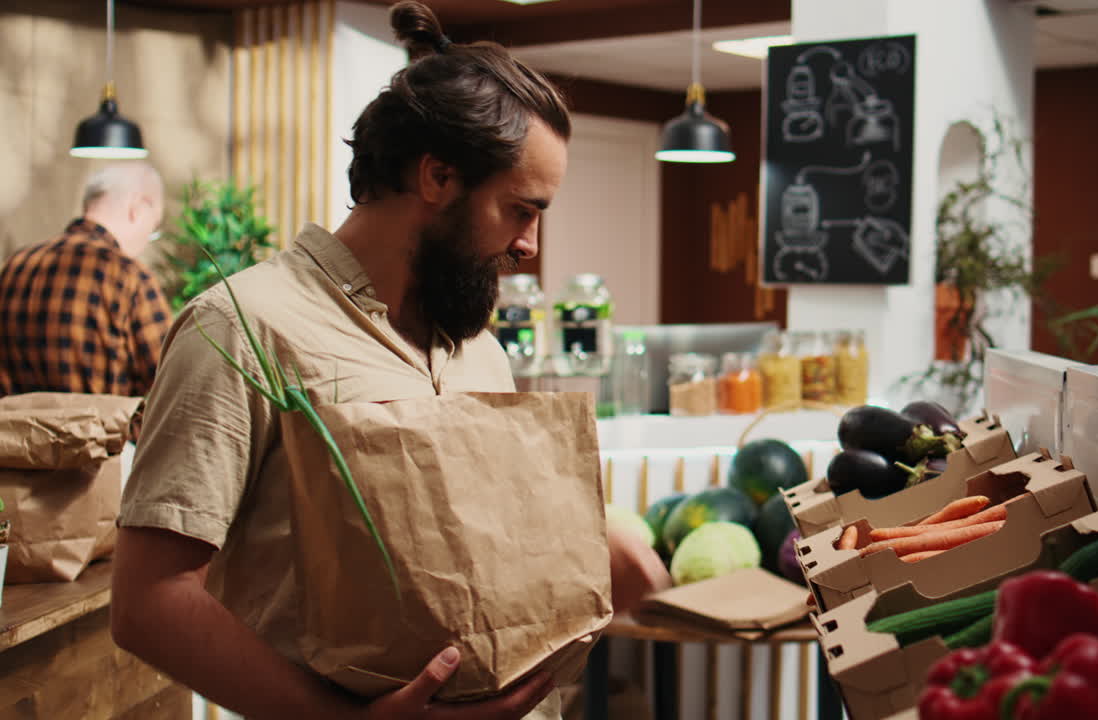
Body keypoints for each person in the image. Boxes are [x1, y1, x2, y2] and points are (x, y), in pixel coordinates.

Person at [109, 3, 671, 719]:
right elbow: (149, 602)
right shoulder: (243, 327)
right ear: (437, 177)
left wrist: (595, 544)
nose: (530, 245)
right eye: (521, 210)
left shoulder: (478, 349)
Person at [0, 161, 171, 398]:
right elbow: (169, 379)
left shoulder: (14, 265)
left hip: (16, 433)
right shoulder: (129, 275)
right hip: (104, 435)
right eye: (154, 227)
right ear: (138, 209)